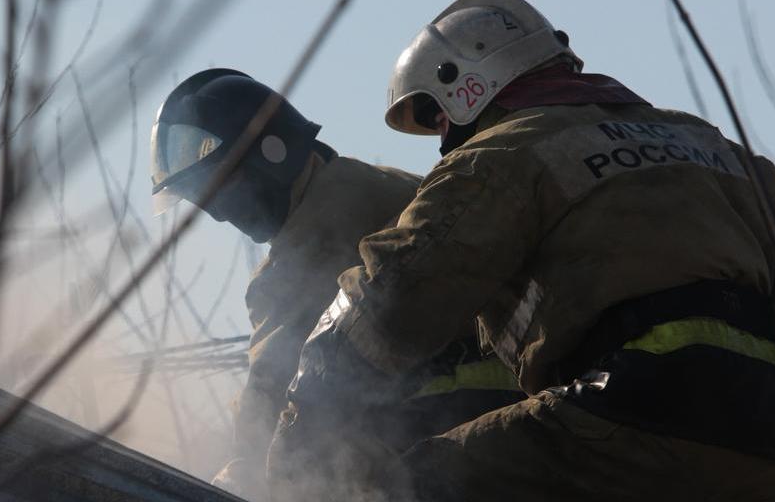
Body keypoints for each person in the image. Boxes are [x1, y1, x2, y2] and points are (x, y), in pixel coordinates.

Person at [270, 0, 775, 501]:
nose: (441, 138)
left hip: (631, 414)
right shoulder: (694, 135)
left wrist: (306, 418)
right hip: (772, 440)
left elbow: (396, 295)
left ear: (466, 83)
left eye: (436, 115)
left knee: (399, 490)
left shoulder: (499, 156)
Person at [149, 69, 523, 500]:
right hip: (505, 423)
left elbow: (273, 384)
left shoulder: (314, 240)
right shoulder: (388, 184)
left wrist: (241, 469)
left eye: (222, 188)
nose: (218, 213)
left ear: (271, 155)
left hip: (430, 434)